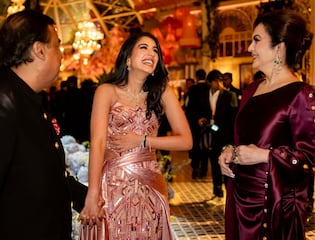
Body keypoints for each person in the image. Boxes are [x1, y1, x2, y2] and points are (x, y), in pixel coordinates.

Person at [0, 10, 87, 240]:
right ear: (39, 50)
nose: (61, 55)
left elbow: (46, 176)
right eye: (57, 46)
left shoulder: (28, 97)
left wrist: (93, 197)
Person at [79, 31, 192, 239]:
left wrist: (143, 140)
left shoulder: (162, 93)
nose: (152, 53)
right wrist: (92, 194)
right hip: (114, 185)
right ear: (128, 59)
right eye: (144, 47)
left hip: (151, 185)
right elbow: (98, 142)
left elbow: (186, 141)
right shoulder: (107, 91)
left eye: (156, 50)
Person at [218, 10, 315, 239]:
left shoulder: (301, 94)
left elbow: (313, 159)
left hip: (274, 208)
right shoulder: (251, 90)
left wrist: (266, 156)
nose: (249, 48)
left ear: (279, 48)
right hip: (241, 201)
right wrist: (230, 151)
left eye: (256, 40)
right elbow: (244, 141)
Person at [193, 69, 236, 205]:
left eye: (220, 80)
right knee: (214, 163)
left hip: (225, 135)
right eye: (216, 81)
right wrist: (199, 119)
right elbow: (198, 111)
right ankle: (217, 192)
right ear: (210, 82)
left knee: (227, 164)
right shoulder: (203, 95)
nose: (219, 83)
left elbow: (233, 118)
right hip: (209, 135)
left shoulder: (228, 95)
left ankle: (230, 193)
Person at [184, 69, 210, 179]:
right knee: (205, 146)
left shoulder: (192, 90)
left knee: (195, 146)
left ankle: (195, 169)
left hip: (194, 123)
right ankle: (204, 170)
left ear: (197, 77)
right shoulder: (209, 89)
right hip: (207, 122)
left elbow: (188, 107)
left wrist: (192, 121)